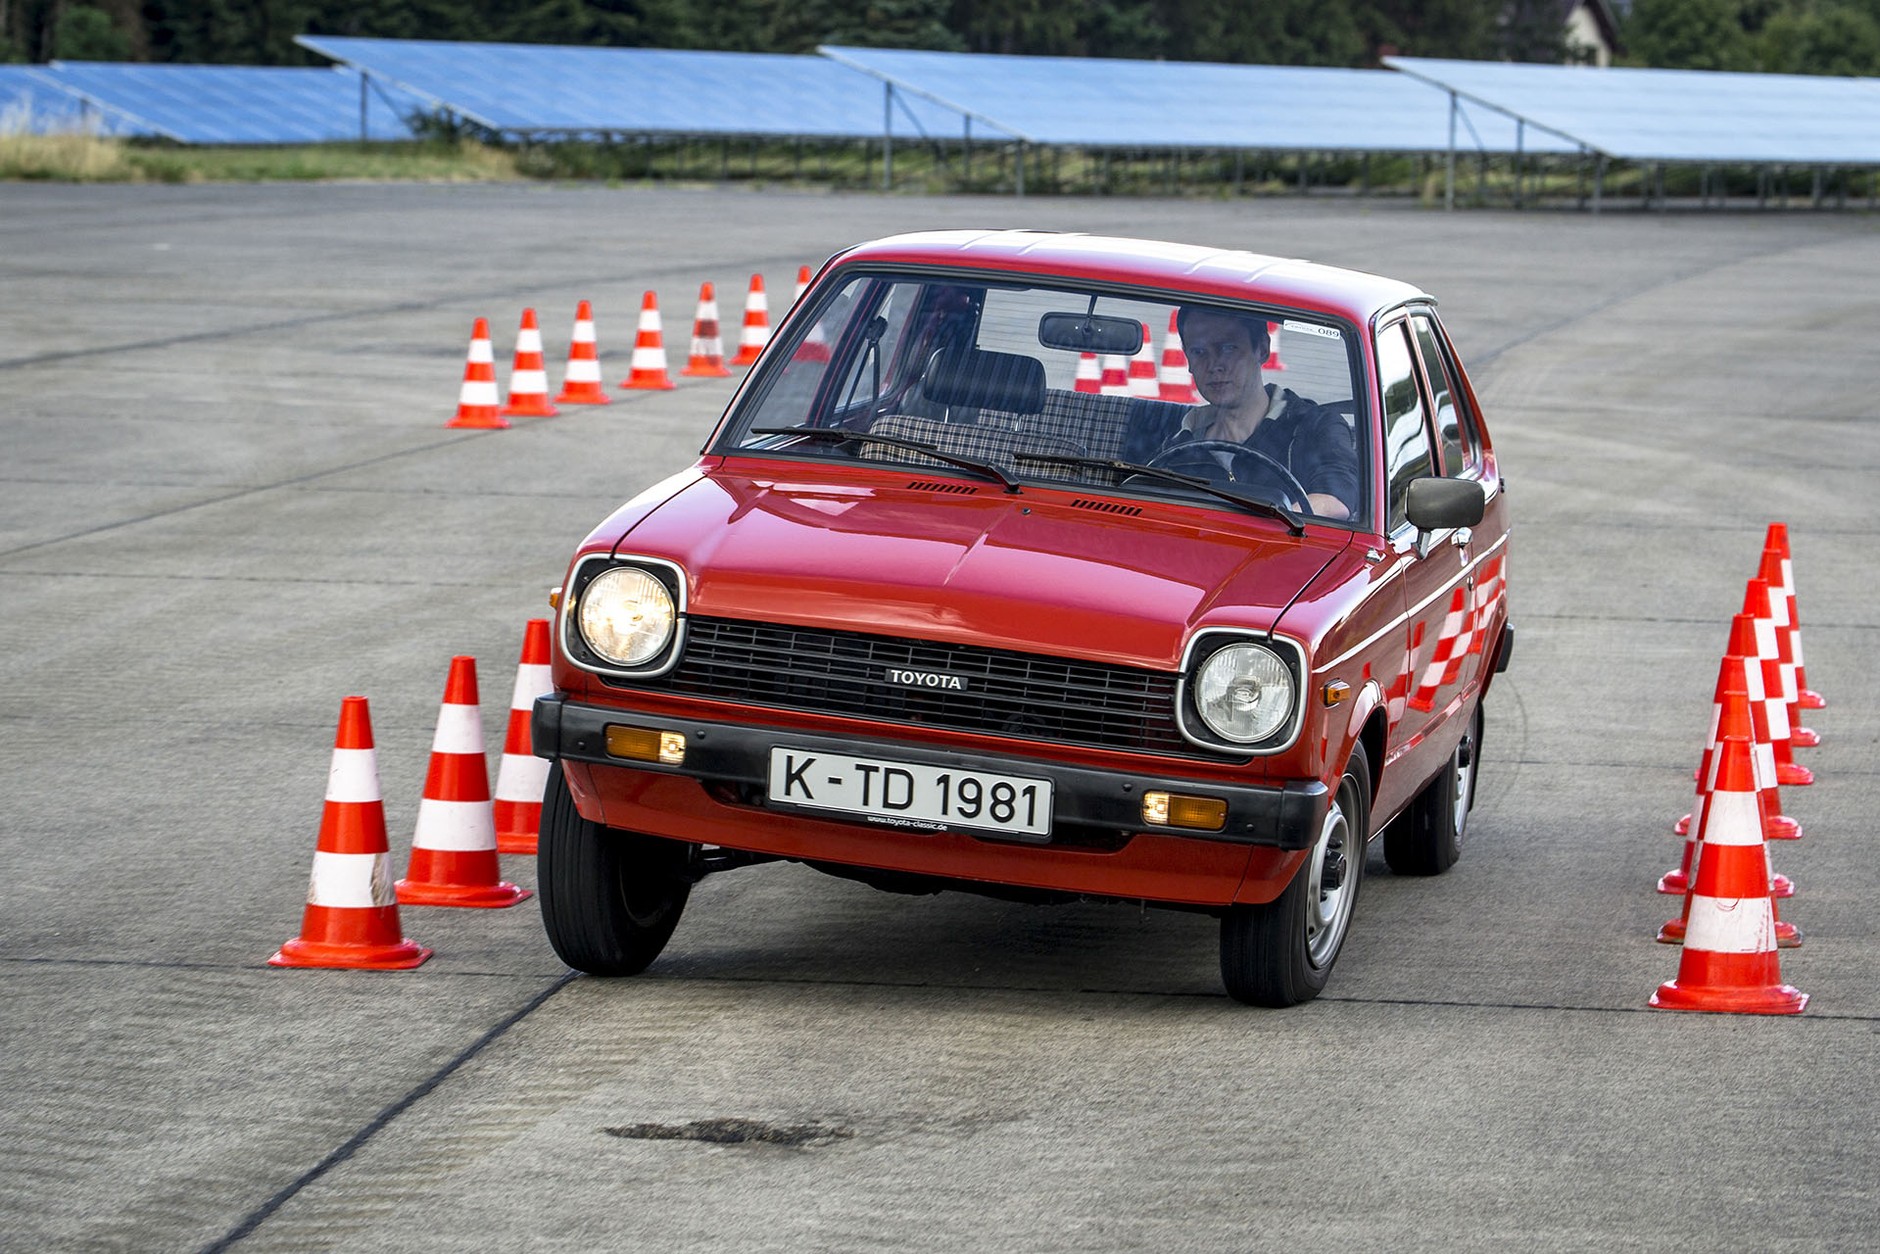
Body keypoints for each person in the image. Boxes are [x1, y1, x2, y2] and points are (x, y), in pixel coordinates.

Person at [1161, 305, 1357, 520]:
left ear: (1262, 349)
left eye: (1228, 348)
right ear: (1188, 360)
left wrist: (1262, 524)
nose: (1214, 365)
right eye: (1199, 352)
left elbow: (1337, 499)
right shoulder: (1177, 442)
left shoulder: (1315, 425)